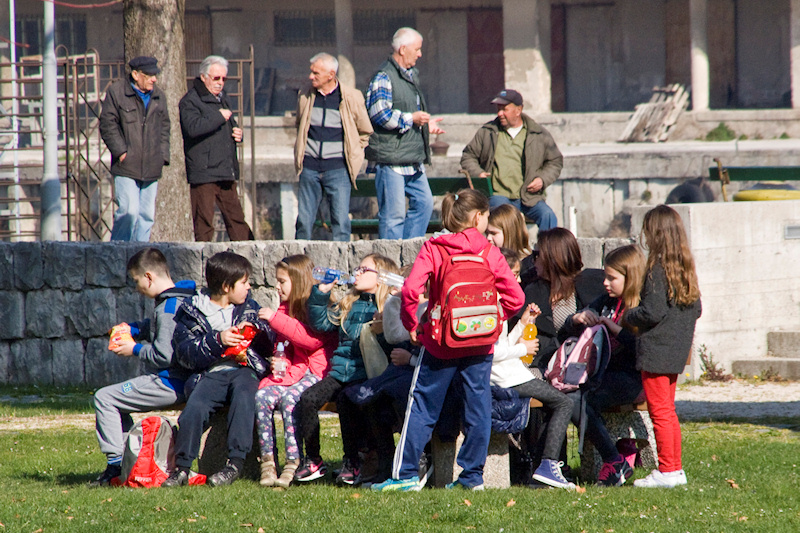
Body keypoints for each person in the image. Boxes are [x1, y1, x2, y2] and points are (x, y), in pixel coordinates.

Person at [373, 189, 525, 491]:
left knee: (422, 405)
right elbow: (516, 298)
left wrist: (412, 324)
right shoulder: (489, 252)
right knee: (478, 407)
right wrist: (493, 321)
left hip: (440, 342)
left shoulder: (435, 247)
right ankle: (472, 477)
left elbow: (410, 291)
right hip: (480, 342)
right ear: (479, 217)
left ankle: (405, 476)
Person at [162, 252, 272, 488]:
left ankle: (235, 464)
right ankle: (182, 469)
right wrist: (218, 340)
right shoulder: (192, 312)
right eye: (244, 282)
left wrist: (255, 330)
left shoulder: (249, 307)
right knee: (195, 408)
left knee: (245, 397)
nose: (249, 287)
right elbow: (185, 354)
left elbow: (269, 342)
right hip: (211, 374)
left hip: (244, 368)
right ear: (225, 286)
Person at [89, 248, 196, 486]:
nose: (137, 288)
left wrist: (134, 349)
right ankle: (129, 461)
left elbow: (164, 356)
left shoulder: (168, 308)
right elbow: (157, 327)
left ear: (148, 277)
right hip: (181, 381)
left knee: (105, 398)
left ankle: (116, 466)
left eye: (136, 281)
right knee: (114, 400)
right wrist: (133, 329)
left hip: (169, 382)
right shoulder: (180, 298)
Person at [294, 254, 397, 484]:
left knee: (346, 401)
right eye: (357, 268)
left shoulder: (386, 307)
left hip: (366, 374)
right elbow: (321, 323)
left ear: (381, 277)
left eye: (364, 269)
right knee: (308, 399)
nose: (357, 273)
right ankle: (313, 459)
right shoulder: (348, 303)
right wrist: (321, 293)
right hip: (340, 374)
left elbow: (390, 344)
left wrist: (383, 323)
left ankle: (352, 462)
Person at [626, 205, 702, 489]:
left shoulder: (657, 270)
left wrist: (629, 315)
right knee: (668, 411)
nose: (645, 236)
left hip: (657, 352)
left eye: (647, 230)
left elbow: (652, 312)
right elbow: (696, 309)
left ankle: (668, 471)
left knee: (660, 412)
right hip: (675, 351)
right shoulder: (684, 269)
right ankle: (675, 469)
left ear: (655, 234)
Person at [560, 244, 646, 486]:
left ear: (630, 278)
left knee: (583, 400)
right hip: (602, 375)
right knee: (570, 397)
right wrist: (577, 318)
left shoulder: (641, 307)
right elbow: (570, 325)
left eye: (612, 278)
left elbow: (641, 348)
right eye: (605, 277)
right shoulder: (608, 300)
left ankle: (613, 460)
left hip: (631, 378)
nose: (605, 283)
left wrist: (614, 329)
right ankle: (614, 459)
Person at [491, 248, 575, 489]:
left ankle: (544, 466)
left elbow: (501, 343)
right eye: (514, 274)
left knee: (555, 402)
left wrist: (522, 323)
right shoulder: (493, 306)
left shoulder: (497, 303)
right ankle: (548, 466)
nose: (518, 280)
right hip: (506, 377)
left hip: (509, 373)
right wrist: (523, 348)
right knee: (564, 403)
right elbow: (492, 352)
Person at [255, 255, 337, 488]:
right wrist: (280, 362)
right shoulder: (284, 309)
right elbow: (285, 346)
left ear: (299, 281)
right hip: (296, 372)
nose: (277, 287)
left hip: (318, 373)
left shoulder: (319, 307)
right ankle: (268, 462)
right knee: (262, 396)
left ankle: (294, 461)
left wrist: (274, 319)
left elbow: (310, 340)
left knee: (291, 398)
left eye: (282, 281)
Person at [365, 27, 445, 240]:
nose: (420, 54)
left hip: (411, 158)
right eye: (417, 49)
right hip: (391, 159)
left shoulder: (410, 75)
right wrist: (411, 119)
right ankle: (390, 257)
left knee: (424, 203)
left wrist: (425, 125)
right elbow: (379, 113)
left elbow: (408, 112)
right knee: (394, 216)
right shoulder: (384, 76)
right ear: (402, 49)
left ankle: (409, 251)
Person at [294, 53, 373, 241]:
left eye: (316, 73)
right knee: (304, 221)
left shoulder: (351, 97)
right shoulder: (305, 94)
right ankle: (298, 259)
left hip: (338, 169)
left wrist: (354, 153)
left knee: (341, 223)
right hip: (309, 168)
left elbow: (365, 131)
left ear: (331, 75)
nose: (311, 76)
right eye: (311, 72)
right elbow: (300, 125)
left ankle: (342, 259)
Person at [461, 89, 562, 233]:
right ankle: (506, 249)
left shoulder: (538, 133)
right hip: (498, 196)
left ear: (518, 110)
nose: (500, 113)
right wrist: (478, 173)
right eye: (498, 109)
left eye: (504, 109)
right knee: (504, 220)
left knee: (548, 216)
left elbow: (555, 161)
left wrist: (542, 179)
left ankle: (547, 248)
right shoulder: (487, 132)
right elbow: (468, 156)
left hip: (529, 198)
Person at [179, 55, 253, 242]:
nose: (220, 83)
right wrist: (219, 117)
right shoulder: (190, 101)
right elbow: (193, 128)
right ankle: (202, 258)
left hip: (225, 170)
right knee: (204, 223)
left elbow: (228, 125)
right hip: (204, 172)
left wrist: (238, 133)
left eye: (224, 79)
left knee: (237, 220)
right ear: (203, 77)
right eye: (216, 78)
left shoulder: (222, 99)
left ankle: (247, 255)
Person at [99, 56, 170, 242]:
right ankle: (118, 250)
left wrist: (162, 156)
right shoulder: (117, 92)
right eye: (149, 75)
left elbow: (164, 127)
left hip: (152, 165)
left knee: (146, 216)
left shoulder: (159, 96)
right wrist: (121, 152)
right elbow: (107, 125)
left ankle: (140, 253)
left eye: (155, 75)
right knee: (129, 211)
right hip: (127, 165)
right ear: (136, 75)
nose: (154, 79)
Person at [522, 228, 606, 373]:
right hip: (543, 364)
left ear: (550, 259)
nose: (533, 260)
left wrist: (578, 319)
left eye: (537, 254)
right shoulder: (533, 290)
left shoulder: (588, 285)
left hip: (577, 364)